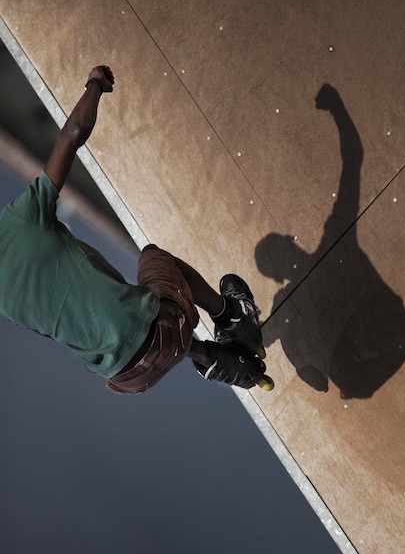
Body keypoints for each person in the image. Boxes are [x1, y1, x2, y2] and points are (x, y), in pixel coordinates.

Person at [0, 66, 266, 394]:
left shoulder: (6, 304)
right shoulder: (19, 218)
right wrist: (95, 85)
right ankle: (232, 316)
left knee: (131, 326)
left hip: (128, 379)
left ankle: (208, 357)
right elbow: (72, 135)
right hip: (160, 330)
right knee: (153, 259)